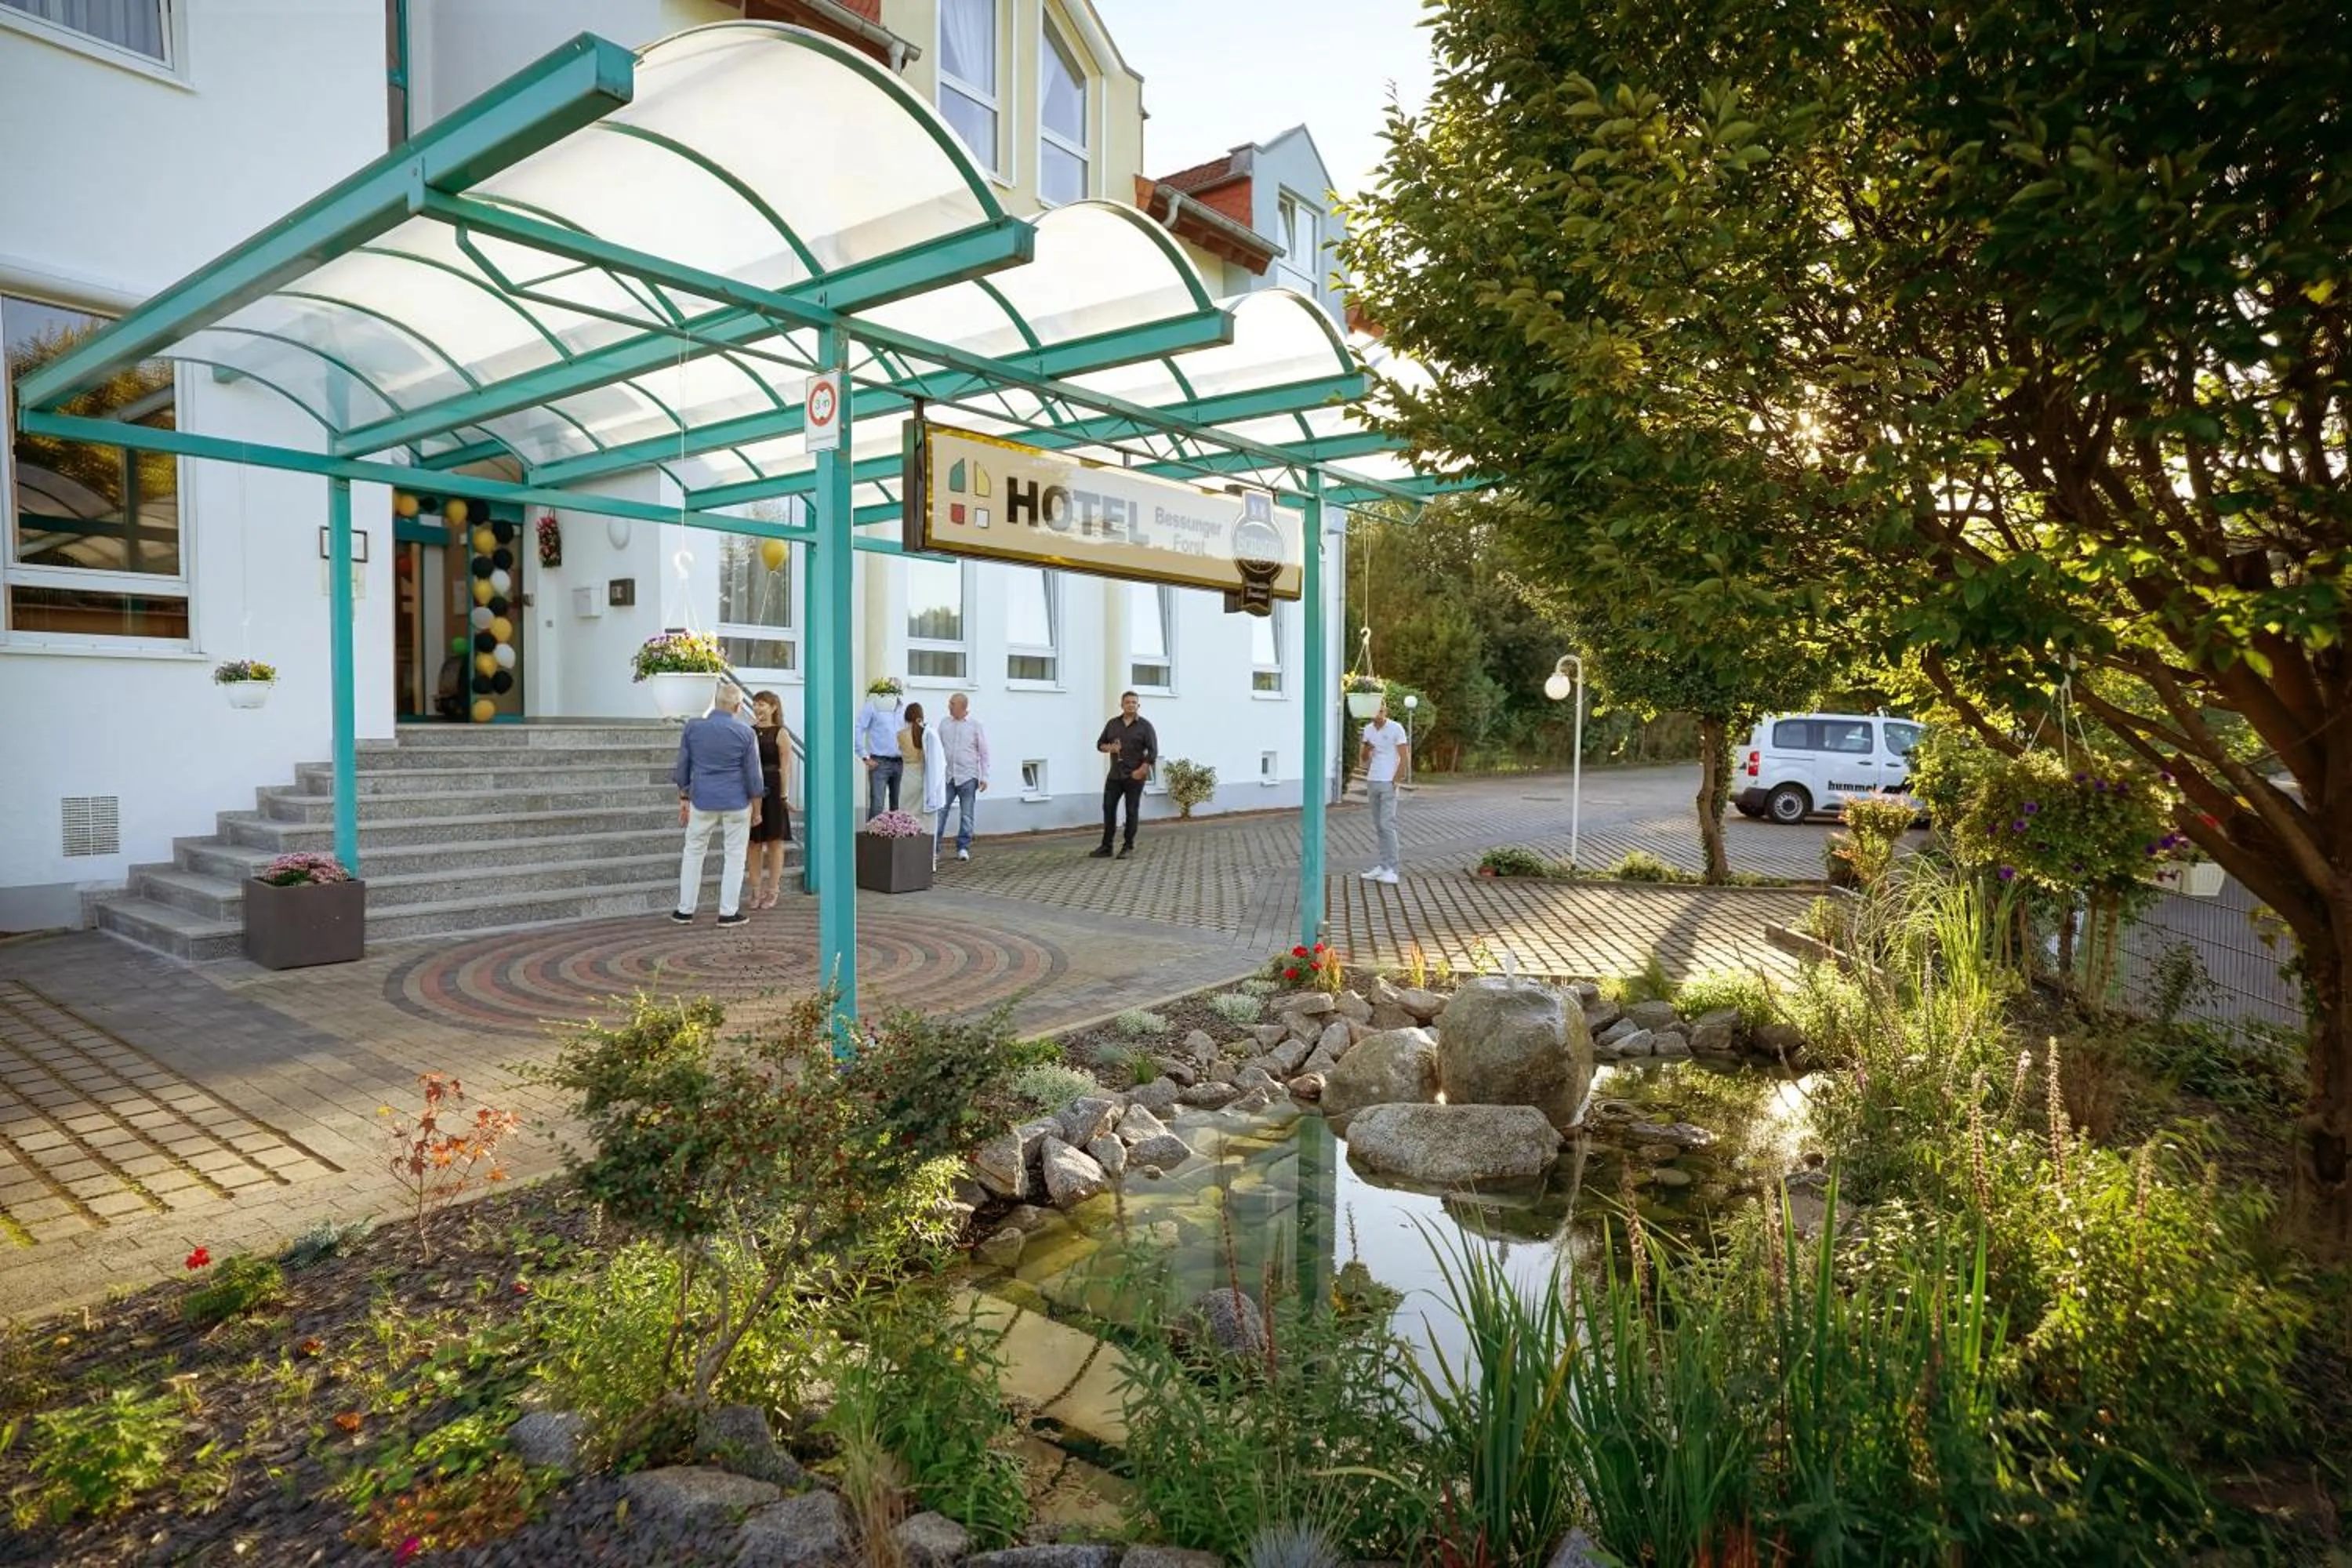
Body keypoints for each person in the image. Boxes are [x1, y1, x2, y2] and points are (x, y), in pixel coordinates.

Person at [671, 682, 764, 927]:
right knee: (734, 856)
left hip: (702, 799)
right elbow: (754, 776)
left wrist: (684, 797)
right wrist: (758, 809)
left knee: (693, 852)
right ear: (738, 706)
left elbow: (683, 767)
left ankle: (684, 910)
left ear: (715, 701)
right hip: (736, 801)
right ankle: (727, 913)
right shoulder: (746, 733)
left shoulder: (693, 728)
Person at [1091, 690, 1158, 859]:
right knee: (1108, 809)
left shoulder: (1145, 726)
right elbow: (1100, 744)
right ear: (1122, 705)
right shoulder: (1113, 724)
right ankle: (1107, 847)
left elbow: (1153, 751)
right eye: (1127, 702)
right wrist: (1109, 748)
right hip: (1115, 774)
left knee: (1131, 811)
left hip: (1134, 776)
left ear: (1138, 706)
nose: (1131, 705)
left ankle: (1128, 846)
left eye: (1134, 703)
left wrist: (1142, 771)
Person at [746, 690, 793, 909]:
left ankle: (773, 889)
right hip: (753, 789)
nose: (757, 708)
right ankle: (755, 889)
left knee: (775, 842)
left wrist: (784, 795)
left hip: (773, 790)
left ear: (774, 707)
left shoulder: (781, 733)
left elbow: (785, 768)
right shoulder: (749, 732)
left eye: (762, 704)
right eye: (755, 704)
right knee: (753, 843)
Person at [933, 692, 991, 862]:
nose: (949, 706)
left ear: (963, 707)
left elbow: (984, 752)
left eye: (952, 703)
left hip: (968, 776)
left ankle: (963, 847)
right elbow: (937, 748)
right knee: (941, 812)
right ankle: (935, 849)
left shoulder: (975, 725)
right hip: (948, 777)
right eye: (949, 703)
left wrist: (984, 776)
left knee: (967, 814)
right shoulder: (944, 723)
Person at [1358, 701, 1411, 885]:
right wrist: (1367, 748)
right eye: (1375, 710)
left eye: (1381, 710)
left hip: (1388, 782)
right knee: (1379, 826)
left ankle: (1393, 870)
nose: (1379, 713)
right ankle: (1383, 865)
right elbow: (1363, 760)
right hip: (1373, 780)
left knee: (1387, 824)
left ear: (1386, 711)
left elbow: (1404, 756)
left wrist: (1397, 779)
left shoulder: (1396, 728)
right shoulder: (1368, 729)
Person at [898, 702, 948, 862]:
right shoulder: (927, 733)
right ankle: (927, 858)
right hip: (924, 776)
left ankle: (908, 856)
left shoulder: (900, 734)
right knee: (926, 819)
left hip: (908, 777)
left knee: (907, 816)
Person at [854, 681, 904, 818]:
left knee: (899, 805)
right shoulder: (873, 706)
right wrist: (864, 756)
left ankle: (896, 838)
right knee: (877, 804)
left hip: (901, 762)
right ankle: (874, 838)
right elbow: (859, 728)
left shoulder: (903, 708)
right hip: (879, 762)